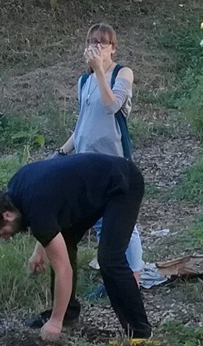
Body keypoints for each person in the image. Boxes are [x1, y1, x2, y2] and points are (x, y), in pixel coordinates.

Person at [0, 153, 150, 341]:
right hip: (95, 185)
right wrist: (39, 251)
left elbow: (63, 270)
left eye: (1, 233)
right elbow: (48, 210)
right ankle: (68, 315)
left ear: (6, 216)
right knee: (65, 246)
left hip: (122, 183)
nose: (6, 238)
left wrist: (54, 322)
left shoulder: (35, 207)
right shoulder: (15, 190)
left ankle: (140, 334)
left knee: (110, 259)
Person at [58, 22, 159, 288]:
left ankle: (134, 278)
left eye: (103, 42)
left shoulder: (122, 74)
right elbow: (83, 122)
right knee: (100, 222)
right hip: (85, 161)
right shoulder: (84, 80)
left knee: (124, 221)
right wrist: (62, 151)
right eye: (92, 42)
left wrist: (101, 72)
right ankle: (114, 277)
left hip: (113, 162)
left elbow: (112, 105)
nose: (97, 46)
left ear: (113, 48)